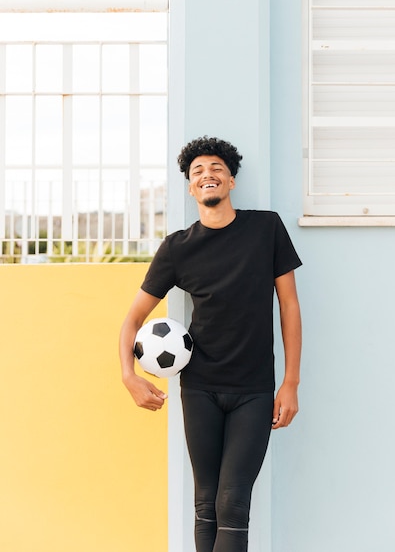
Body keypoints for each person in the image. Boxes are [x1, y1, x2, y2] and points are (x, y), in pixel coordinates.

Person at [119, 136, 302, 552]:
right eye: (198, 171)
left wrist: (290, 382)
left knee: (232, 502)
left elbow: (289, 306)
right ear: (190, 188)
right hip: (199, 388)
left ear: (231, 181)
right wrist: (128, 374)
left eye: (216, 168)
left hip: (254, 390)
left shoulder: (266, 228)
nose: (208, 175)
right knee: (206, 504)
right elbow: (133, 319)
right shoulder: (177, 248)